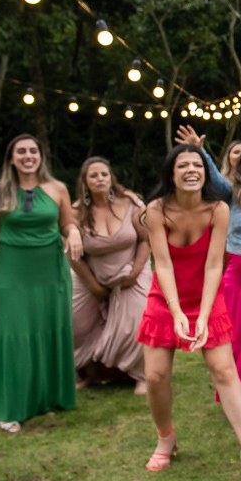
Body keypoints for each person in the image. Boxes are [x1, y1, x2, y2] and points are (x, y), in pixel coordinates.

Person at [136, 144, 241, 481]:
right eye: (183, 165)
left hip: (209, 296)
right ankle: (166, 437)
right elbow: (161, 264)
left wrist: (204, 316)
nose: (192, 170)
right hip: (165, 297)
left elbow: (214, 265)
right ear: (172, 173)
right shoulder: (156, 210)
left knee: (224, 371)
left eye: (198, 164)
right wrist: (177, 311)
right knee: (155, 376)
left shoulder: (219, 209)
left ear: (206, 172)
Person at [0, 134, 82, 433]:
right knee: (14, 334)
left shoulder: (57, 188)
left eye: (33, 151)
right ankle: (9, 408)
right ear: (11, 158)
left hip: (51, 270)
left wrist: (72, 232)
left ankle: (44, 399)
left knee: (48, 332)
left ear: (40, 156)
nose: (28, 155)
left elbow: (66, 224)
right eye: (21, 151)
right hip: (13, 269)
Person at [175, 125, 241, 408]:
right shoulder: (230, 193)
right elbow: (211, 176)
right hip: (237, 279)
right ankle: (238, 397)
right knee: (238, 337)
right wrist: (198, 151)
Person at [69, 157, 152, 395]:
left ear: (111, 177)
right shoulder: (76, 213)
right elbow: (73, 255)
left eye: (104, 174)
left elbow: (147, 239)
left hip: (131, 269)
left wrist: (135, 273)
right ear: (85, 182)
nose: (100, 179)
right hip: (91, 274)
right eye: (93, 176)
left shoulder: (131, 203)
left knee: (138, 318)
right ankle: (90, 374)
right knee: (77, 323)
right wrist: (93, 285)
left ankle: (141, 374)